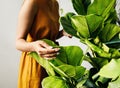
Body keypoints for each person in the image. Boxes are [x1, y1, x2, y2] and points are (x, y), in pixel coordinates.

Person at [15, 0, 71, 88]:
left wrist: (62, 33)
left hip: (52, 64)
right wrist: (34, 46)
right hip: (35, 65)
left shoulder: (55, 3)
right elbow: (18, 42)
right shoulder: (32, 2)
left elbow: (48, 36)